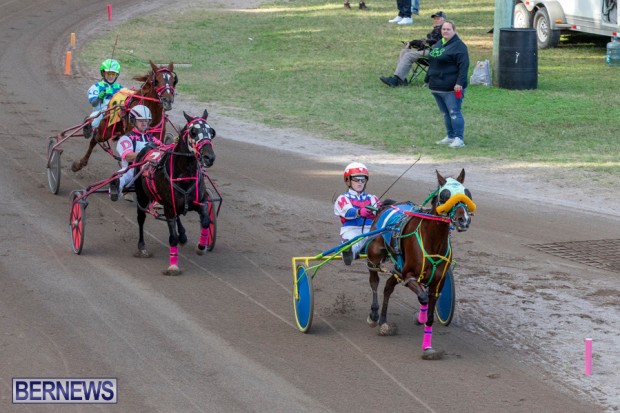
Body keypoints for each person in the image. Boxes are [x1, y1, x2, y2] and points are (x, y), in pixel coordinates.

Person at [425, 20, 470, 148]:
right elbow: (433, 62)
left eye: (448, 29)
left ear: (454, 30)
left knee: (454, 112)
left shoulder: (459, 46)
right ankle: (450, 136)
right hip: (437, 86)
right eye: (443, 29)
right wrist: (427, 78)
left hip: (451, 87)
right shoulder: (440, 43)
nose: (445, 31)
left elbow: (464, 66)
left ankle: (459, 139)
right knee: (445, 113)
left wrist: (459, 83)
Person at [109, 105, 161, 201]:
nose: (144, 123)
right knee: (122, 175)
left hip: (150, 170)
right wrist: (147, 155)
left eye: (146, 120)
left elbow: (163, 150)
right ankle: (115, 187)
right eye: (141, 120)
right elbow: (128, 156)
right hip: (132, 169)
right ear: (133, 121)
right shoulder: (126, 138)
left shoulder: (153, 138)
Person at [380, 11, 446, 87]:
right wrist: (412, 43)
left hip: (434, 54)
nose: (436, 20)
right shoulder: (436, 29)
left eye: (438, 19)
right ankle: (401, 79)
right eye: (435, 19)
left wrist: (413, 42)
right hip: (428, 51)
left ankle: (396, 80)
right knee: (404, 51)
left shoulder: (443, 30)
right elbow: (427, 41)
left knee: (409, 55)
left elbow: (432, 41)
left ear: (444, 20)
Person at [334, 162, 380, 265]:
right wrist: (359, 212)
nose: (360, 182)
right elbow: (347, 211)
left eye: (363, 179)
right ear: (348, 180)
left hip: (370, 230)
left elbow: (379, 210)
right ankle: (346, 249)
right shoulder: (343, 198)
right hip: (352, 231)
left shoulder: (372, 198)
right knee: (352, 246)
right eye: (356, 179)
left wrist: (384, 208)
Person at [83, 59, 124, 140]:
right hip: (100, 112)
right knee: (94, 121)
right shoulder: (96, 87)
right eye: (108, 73)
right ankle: (87, 124)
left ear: (117, 75)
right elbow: (93, 104)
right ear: (103, 73)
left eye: (113, 74)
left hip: (116, 113)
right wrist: (99, 97)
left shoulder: (121, 88)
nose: (111, 76)